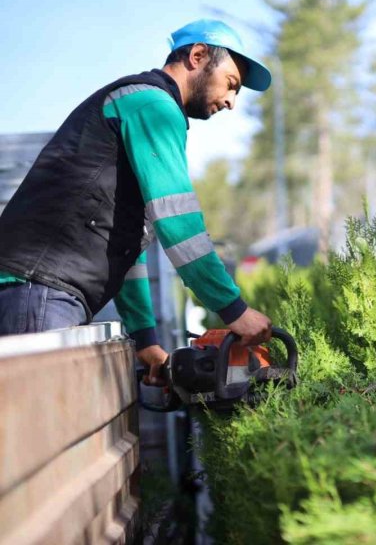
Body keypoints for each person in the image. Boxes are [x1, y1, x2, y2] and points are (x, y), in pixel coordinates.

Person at [0, 19, 274, 386]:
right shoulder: (152, 104)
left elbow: (125, 240)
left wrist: (145, 339)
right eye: (231, 84)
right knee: (34, 435)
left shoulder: (143, 104)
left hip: (42, 291)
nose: (231, 102)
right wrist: (234, 309)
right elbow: (178, 221)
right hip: (41, 290)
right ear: (197, 56)